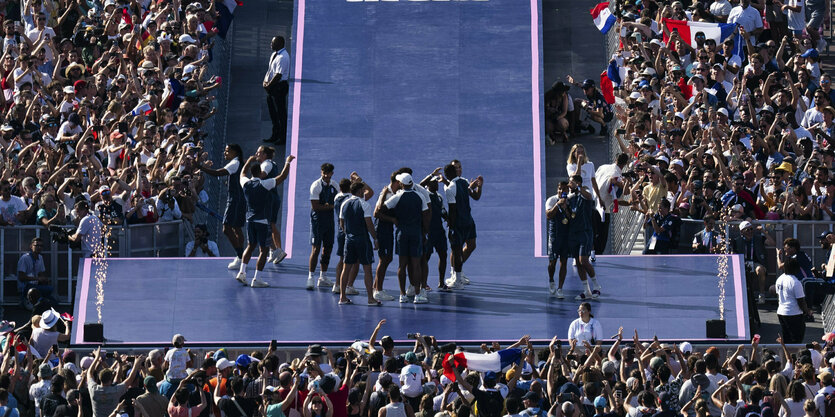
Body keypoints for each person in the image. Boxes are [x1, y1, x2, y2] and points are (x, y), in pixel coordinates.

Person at [236, 154, 295, 288]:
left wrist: (249, 161)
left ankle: (242, 272)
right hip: (262, 221)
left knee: (250, 246)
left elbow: (242, 173)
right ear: (260, 173)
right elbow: (282, 177)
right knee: (263, 250)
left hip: (250, 221)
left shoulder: (245, 183)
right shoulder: (265, 184)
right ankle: (257, 278)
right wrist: (287, 162)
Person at [379, 173, 430, 304]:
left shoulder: (397, 197)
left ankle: (402, 295)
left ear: (402, 184)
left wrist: (393, 218)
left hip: (402, 234)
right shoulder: (420, 196)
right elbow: (426, 216)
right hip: (416, 233)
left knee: (402, 265)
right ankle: (418, 295)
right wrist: (424, 233)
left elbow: (381, 209)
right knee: (416, 264)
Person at [197, 144, 247, 270]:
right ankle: (242, 257)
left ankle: (240, 256)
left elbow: (217, 173)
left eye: (227, 151)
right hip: (239, 199)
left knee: (227, 228)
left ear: (234, 152)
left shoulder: (235, 163)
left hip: (235, 200)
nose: (224, 153)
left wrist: (201, 168)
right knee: (236, 228)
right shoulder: (238, 162)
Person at [338, 181, 379, 305]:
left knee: (346, 268)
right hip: (362, 240)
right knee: (367, 269)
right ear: (360, 191)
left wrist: (348, 233)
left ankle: (342, 297)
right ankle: (370, 299)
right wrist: (375, 239)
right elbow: (369, 224)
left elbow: (341, 222)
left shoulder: (344, 203)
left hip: (349, 240)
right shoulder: (364, 204)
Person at [443, 162, 483, 289]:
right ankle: (455, 274)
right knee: (456, 251)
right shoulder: (463, 183)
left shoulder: (462, 183)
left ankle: (457, 274)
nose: (458, 169)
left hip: (463, 223)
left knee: (467, 247)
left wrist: (450, 225)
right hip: (464, 222)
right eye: (456, 168)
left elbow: (454, 208)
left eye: (460, 167)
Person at [566, 175, 600, 300]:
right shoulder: (571, 198)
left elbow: (589, 197)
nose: (570, 185)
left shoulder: (585, 195)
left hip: (585, 232)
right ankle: (586, 291)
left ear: (578, 183)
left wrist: (578, 187)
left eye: (572, 183)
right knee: (578, 262)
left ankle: (596, 286)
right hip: (573, 234)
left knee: (584, 260)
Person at [256, 146, 288, 264]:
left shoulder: (266, 164)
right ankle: (273, 250)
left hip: (269, 199)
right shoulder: (270, 163)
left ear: (265, 155)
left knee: (270, 224)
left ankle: (278, 250)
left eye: (259, 153)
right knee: (268, 224)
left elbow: (262, 175)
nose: (256, 154)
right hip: (270, 198)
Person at [308, 163, 337, 290]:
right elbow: (315, 206)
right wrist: (330, 206)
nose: (326, 175)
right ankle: (310, 277)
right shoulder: (316, 186)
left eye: (328, 173)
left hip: (329, 222)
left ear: (332, 173)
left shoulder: (335, 186)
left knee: (328, 248)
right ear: (321, 172)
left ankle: (323, 277)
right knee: (316, 249)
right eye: (324, 173)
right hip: (317, 222)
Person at [732, 221, 775, 304]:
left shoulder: (759, 238)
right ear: (742, 231)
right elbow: (733, 254)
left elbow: (772, 243)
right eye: (747, 230)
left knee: (760, 269)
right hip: (742, 263)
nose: (750, 232)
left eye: (751, 229)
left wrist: (763, 232)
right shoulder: (737, 241)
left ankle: (761, 295)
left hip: (756, 263)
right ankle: (740, 296)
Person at [373, 171, 400, 302]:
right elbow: (376, 213)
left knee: (388, 259)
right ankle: (378, 291)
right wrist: (393, 220)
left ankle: (375, 286)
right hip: (382, 229)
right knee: (384, 259)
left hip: (387, 229)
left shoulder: (395, 193)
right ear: (396, 182)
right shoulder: (386, 193)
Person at [774, 257, 812, 343]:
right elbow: (801, 301)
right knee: (796, 339)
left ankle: (786, 355)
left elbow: (778, 296)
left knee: (786, 338)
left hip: (781, 312)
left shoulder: (779, 279)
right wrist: (807, 311)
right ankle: (793, 355)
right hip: (794, 314)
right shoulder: (795, 282)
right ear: (796, 269)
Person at [263, 36, 290, 144]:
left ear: (279, 44)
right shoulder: (275, 54)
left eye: (273, 42)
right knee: (273, 113)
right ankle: (275, 134)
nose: (271, 44)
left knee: (280, 114)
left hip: (278, 87)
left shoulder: (283, 57)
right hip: (272, 87)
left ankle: (282, 137)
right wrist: (265, 81)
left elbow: (278, 75)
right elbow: (270, 70)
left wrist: (269, 85)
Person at [546, 182, 571, 298]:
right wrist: (557, 205)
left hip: (565, 235)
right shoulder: (551, 200)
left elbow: (572, 218)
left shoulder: (570, 201)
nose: (562, 191)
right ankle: (551, 280)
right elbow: (548, 215)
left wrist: (566, 210)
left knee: (564, 262)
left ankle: (560, 288)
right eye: (560, 189)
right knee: (552, 262)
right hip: (554, 236)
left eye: (564, 189)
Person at [17, 237, 54, 307]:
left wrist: (44, 279)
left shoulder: (40, 258)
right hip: (26, 286)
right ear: (31, 246)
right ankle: (26, 300)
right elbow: (21, 277)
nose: (39, 247)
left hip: (36, 285)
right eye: (36, 245)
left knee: (52, 297)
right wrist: (37, 279)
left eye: (41, 246)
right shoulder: (25, 258)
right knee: (48, 296)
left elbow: (41, 273)